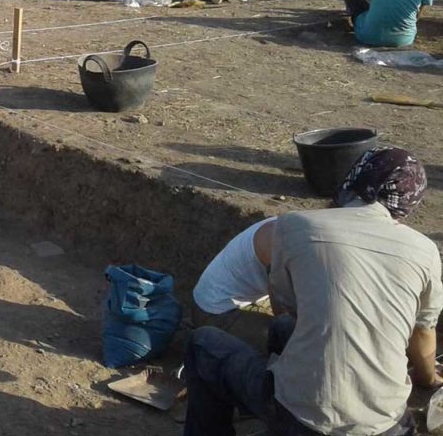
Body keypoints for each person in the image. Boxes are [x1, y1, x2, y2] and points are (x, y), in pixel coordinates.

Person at [183, 146, 441, 436]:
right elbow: (423, 332)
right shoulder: (425, 250)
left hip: (301, 422)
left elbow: (286, 302)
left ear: (353, 182)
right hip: (387, 425)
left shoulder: (296, 225)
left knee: (202, 342)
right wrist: (428, 381)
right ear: (409, 200)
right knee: (282, 328)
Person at [190, 217, 277, 349]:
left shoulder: (295, 226)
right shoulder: (281, 242)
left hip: (242, 301)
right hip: (216, 314)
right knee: (290, 342)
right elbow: (285, 308)